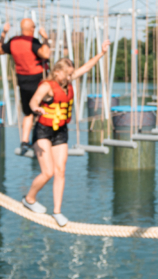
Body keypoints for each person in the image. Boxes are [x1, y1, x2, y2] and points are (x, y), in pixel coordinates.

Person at [22, 49, 106, 226]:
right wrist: (36, 108)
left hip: (61, 131)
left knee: (60, 171)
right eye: (67, 75)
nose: (70, 78)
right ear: (58, 72)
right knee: (48, 172)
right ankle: (29, 199)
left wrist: (101, 53)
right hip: (43, 131)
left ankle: (57, 211)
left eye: (71, 75)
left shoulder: (66, 82)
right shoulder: (48, 85)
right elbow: (33, 100)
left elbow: (86, 68)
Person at [0, 18, 52, 153]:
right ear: (32, 29)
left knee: (28, 113)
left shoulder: (13, 41)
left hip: (23, 81)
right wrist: (45, 39)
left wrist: (3, 33)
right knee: (41, 110)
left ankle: (24, 141)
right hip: (38, 81)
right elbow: (45, 53)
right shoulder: (32, 42)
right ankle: (39, 139)